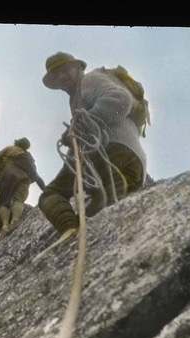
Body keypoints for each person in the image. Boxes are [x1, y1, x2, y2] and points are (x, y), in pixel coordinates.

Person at [38, 52, 149, 242]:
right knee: (51, 194)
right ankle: (70, 229)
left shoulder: (90, 80)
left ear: (79, 67)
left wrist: (80, 126)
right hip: (121, 165)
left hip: (115, 155)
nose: (62, 76)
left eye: (65, 69)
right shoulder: (76, 100)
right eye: (56, 74)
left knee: (56, 194)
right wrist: (74, 137)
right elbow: (84, 137)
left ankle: (79, 223)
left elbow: (120, 99)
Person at [0, 138, 45, 241]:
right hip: (25, 179)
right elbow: (37, 177)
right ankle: (15, 220)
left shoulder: (11, 148)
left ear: (17, 142)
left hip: (10, 173)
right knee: (18, 200)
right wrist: (45, 190)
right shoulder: (29, 158)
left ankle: (5, 225)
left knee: (4, 202)